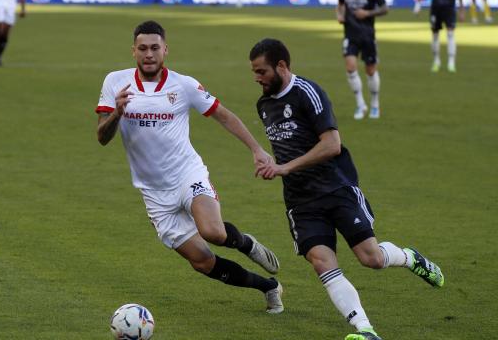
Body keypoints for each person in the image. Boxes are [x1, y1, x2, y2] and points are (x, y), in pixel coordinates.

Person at [249, 38, 445, 340]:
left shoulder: (308, 94)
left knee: (372, 259)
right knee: (321, 262)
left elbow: (331, 145)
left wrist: (284, 167)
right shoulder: (264, 105)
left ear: (282, 66)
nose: (257, 78)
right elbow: (288, 148)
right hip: (300, 201)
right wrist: (269, 162)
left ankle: (409, 258)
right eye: (255, 72)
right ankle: (364, 330)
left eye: (262, 71)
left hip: (335, 187)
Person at [95, 21, 283, 313]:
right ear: (133, 51)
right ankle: (267, 287)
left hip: (187, 174)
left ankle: (247, 244)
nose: (149, 54)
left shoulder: (183, 85)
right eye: (142, 48)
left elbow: (223, 116)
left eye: (154, 48)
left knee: (213, 232)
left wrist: (257, 150)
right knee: (202, 261)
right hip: (154, 193)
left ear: (165, 50)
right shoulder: (115, 82)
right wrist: (117, 113)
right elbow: (102, 137)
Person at [336, 0, 388, 120]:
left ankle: (375, 105)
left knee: (370, 71)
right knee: (351, 67)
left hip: (368, 36)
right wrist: (339, 15)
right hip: (350, 35)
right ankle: (360, 104)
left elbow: (385, 9)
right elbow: (340, 5)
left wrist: (368, 13)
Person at [419, 0, 464, 72]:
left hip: (449, 9)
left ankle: (451, 62)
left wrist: (461, 10)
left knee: (450, 34)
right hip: (436, 9)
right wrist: (418, 4)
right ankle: (436, 61)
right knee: (435, 35)